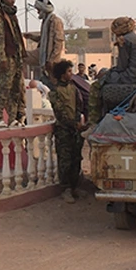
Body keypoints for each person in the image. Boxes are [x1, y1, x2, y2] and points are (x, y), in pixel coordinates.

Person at [88, 16, 136, 124]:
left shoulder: (124, 40)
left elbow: (122, 67)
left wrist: (109, 73)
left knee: (95, 87)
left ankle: (94, 123)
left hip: (130, 77)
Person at [47, 60, 85, 203]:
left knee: (76, 159)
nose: (71, 74)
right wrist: (73, 124)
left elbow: (78, 106)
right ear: (62, 74)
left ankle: (75, 187)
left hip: (75, 129)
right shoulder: (54, 92)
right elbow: (60, 112)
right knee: (65, 160)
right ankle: (66, 189)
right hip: (63, 130)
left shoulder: (73, 88)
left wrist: (77, 122)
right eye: (69, 71)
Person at [0, 0, 26, 127]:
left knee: (16, 89)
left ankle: (12, 119)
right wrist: (2, 57)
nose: (12, 1)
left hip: (16, 57)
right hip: (7, 57)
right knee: (4, 89)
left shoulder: (12, 15)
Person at [24, 0, 64, 81]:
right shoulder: (45, 21)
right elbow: (43, 39)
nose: (38, 12)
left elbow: (58, 43)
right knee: (20, 55)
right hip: (42, 54)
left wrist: (51, 60)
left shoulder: (56, 21)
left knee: (53, 82)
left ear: (43, 9)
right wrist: (31, 37)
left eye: (38, 9)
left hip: (50, 58)